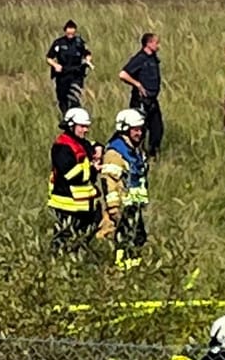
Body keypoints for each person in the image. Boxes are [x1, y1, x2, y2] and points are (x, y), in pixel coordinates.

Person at [98, 108, 151, 270]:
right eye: (135, 130)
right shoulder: (115, 153)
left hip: (134, 204)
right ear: (124, 129)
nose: (139, 133)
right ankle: (121, 268)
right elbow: (109, 182)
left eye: (141, 129)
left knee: (138, 238)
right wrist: (114, 208)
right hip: (123, 205)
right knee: (124, 239)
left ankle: (134, 267)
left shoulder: (134, 150)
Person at [49, 106, 99, 252]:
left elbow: (90, 147)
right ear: (71, 126)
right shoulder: (62, 147)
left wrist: (99, 148)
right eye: (82, 126)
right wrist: (92, 169)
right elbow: (71, 174)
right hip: (66, 203)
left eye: (87, 127)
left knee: (82, 239)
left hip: (83, 204)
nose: (86, 130)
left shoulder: (80, 142)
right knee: (64, 238)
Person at [117, 33, 164, 156]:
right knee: (139, 130)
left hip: (152, 100)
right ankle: (136, 154)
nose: (158, 46)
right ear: (148, 44)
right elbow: (123, 74)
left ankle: (153, 155)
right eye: (156, 43)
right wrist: (137, 84)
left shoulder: (153, 58)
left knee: (157, 129)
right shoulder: (140, 58)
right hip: (141, 101)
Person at [45, 20, 92, 115]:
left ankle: (75, 116)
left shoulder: (79, 43)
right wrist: (55, 65)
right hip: (62, 74)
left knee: (75, 97)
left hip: (76, 74)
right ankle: (65, 116)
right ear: (65, 30)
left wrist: (88, 61)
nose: (70, 33)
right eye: (68, 31)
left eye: (72, 31)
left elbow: (87, 54)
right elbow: (49, 58)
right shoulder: (58, 43)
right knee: (62, 98)